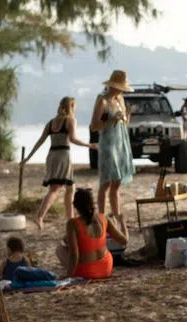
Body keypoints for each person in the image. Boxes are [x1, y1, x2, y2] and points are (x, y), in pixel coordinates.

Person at [23, 97, 98, 229]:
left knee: (70, 187)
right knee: (55, 189)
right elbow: (73, 139)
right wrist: (89, 145)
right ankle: (39, 216)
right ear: (72, 107)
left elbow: (40, 141)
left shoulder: (51, 122)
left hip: (52, 155)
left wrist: (28, 158)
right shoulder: (70, 120)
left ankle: (71, 220)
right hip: (63, 155)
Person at [91, 70, 135, 218]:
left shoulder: (120, 100)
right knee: (106, 183)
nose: (122, 90)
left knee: (117, 182)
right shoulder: (102, 101)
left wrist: (127, 114)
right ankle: (102, 217)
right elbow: (94, 126)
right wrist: (111, 120)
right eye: (121, 87)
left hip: (121, 143)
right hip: (108, 144)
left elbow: (124, 124)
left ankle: (117, 215)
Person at [60, 188, 128, 280]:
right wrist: (123, 223)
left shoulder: (72, 224)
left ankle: (71, 271)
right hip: (106, 267)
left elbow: (74, 255)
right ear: (93, 204)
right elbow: (124, 240)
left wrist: (68, 276)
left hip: (86, 272)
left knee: (59, 249)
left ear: (75, 206)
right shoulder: (104, 218)